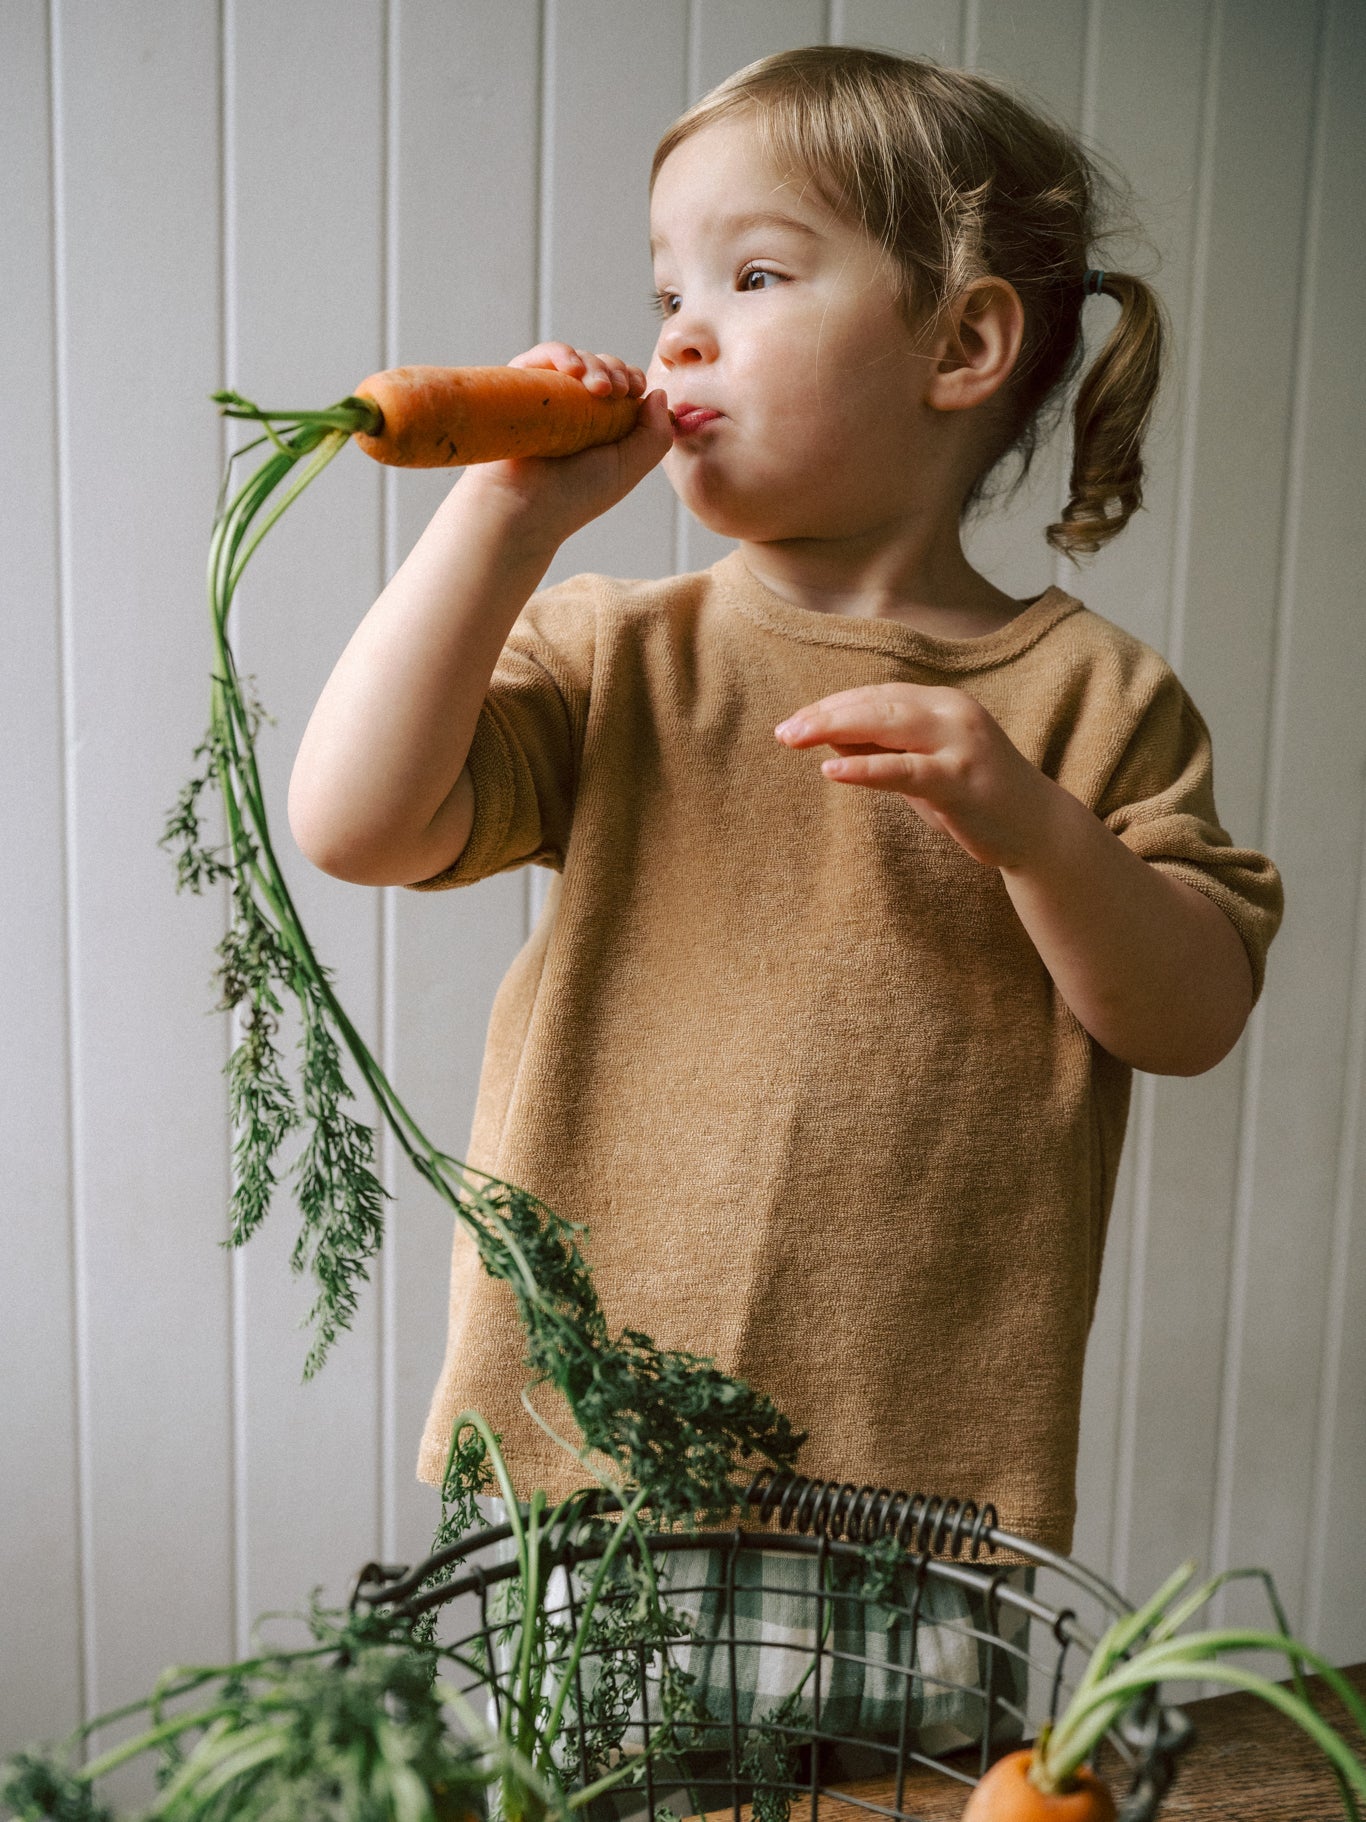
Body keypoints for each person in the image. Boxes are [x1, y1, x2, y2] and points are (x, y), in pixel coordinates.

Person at [288, 44, 1282, 1776]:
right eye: (666, 288)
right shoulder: (619, 651)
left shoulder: (1091, 702)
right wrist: (499, 520)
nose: (677, 332)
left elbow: (1184, 1014)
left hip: (908, 1487)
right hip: (596, 1462)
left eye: (750, 279)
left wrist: (1030, 825)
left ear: (960, 347)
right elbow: (354, 821)